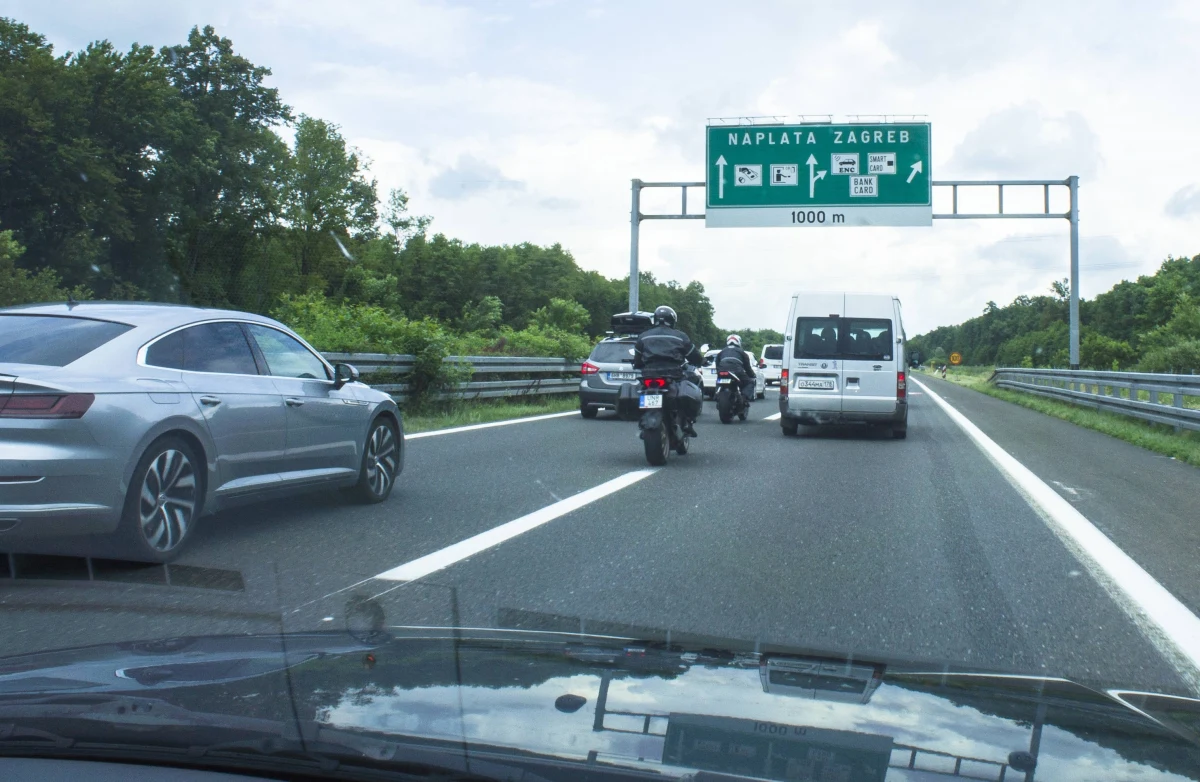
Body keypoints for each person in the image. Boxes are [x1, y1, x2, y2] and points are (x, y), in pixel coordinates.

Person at [634, 305, 703, 437]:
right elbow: (694, 356)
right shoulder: (680, 336)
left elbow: (637, 360)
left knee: (641, 392)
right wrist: (700, 361)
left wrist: (639, 365)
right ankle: (687, 422)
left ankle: (643, 423)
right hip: (673, 374)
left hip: (649, 374)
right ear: (672, 320)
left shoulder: (643, 336)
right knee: (688, 388)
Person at [715, 334, 757, 407]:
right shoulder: (742, 352)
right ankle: (744, 399)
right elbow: (747, 368)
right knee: (750, 382)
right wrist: (752, 375)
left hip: (722, 370)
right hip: (736, 371)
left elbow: (717, 364)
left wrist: (719, 371)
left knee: (719, 381)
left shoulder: (722, 351)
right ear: (739, 342)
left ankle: (716, 396)